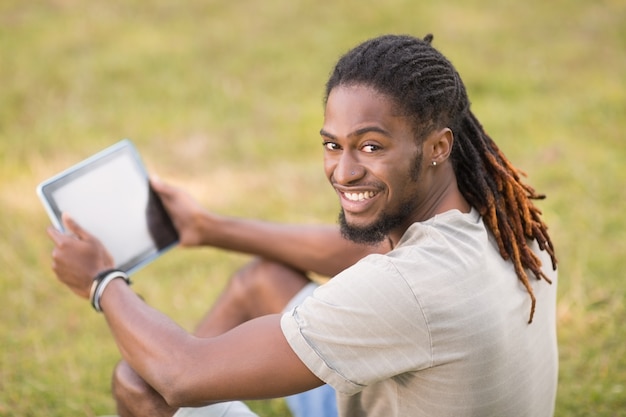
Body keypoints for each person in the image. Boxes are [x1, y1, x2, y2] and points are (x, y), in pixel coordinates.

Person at [46, 34, 559, 417]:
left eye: (371, 146)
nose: (344, 170)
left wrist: (101, 282)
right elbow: (359, 254)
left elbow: (180, 374)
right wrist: (207, 226)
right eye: (333, 144)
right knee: (262, 281)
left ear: (438, 146)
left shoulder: (406, 290)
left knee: (143, 384)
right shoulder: (493, 216)